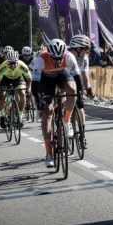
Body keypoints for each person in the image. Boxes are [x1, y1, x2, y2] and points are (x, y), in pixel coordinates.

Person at [31, 39, 79, 168]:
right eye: (54, 58)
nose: (57, 61)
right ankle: (48, 154)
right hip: (44, 80)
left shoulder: (69, 57)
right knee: (48, 110)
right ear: (49, 54)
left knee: (72, 90)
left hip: (61, 75)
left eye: (60, 58)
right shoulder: (40, 60)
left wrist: (78, 95)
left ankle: (66, 121)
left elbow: (77, 78)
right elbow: (34, 85)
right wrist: (39, 102)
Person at [0, 50, 31, 129]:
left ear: (17, 61)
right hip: (5, 80)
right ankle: (2, 115)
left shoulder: (22, 65)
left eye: (14, 62)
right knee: (3, 95)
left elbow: (29, 79)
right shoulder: (3, 66)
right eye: (10, 63)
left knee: (22, 93)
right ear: (7, 62)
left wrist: (29, 89)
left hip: (18, 79)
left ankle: (20, 116)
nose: (12, 65)